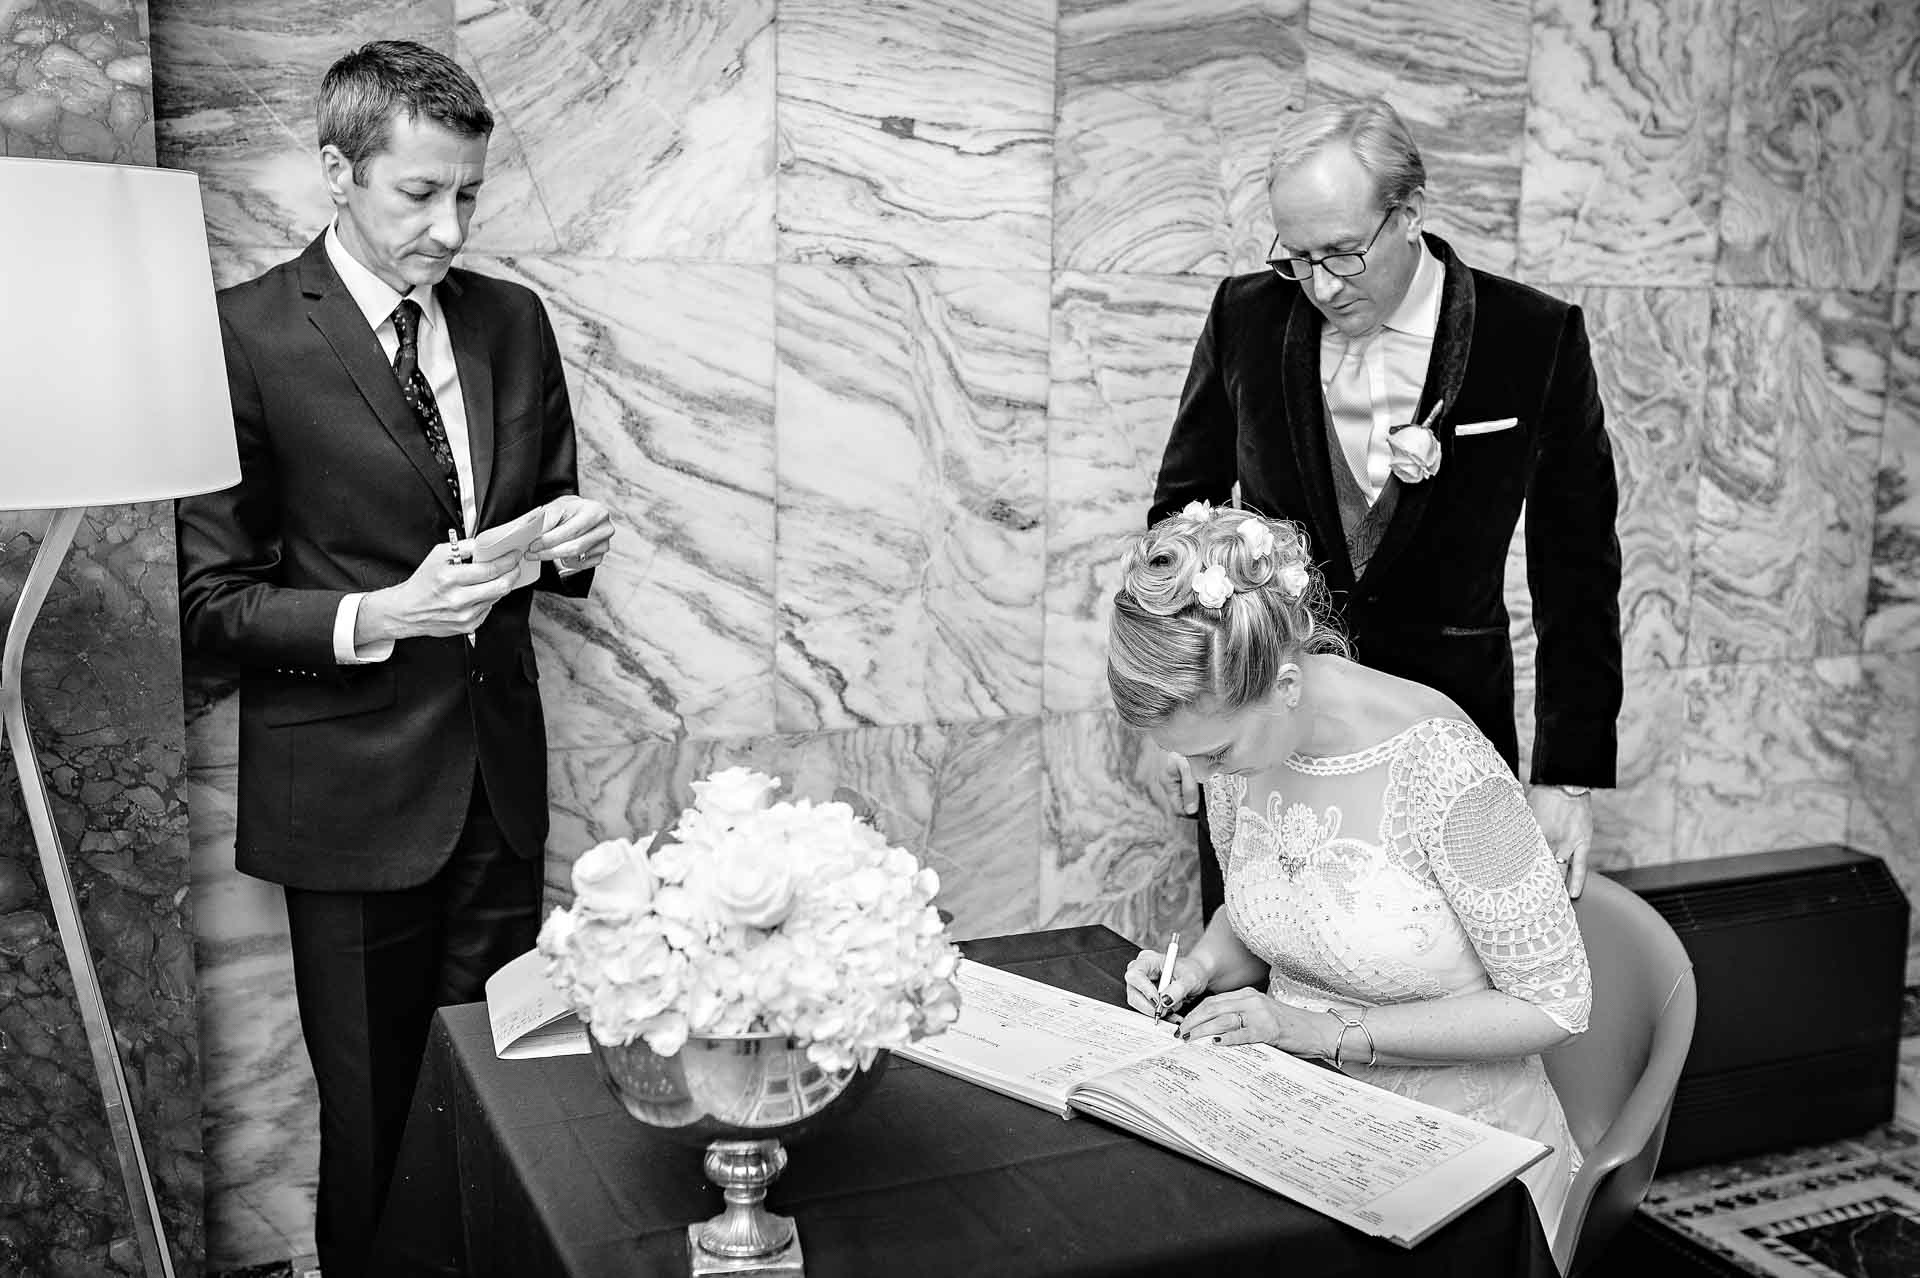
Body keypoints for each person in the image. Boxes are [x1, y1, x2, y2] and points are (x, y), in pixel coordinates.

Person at [175, 41, 614, 1278]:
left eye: (467, 193)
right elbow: (212, 602)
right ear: (336, 170)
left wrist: (571, 538)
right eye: (418, 194)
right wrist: (381, 615)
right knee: (375, 1127)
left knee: (502, 1105)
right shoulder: (244, 334)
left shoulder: (513, 322)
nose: (449, 226)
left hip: (497, 789)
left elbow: (549, 516)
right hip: (352, 805)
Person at [1150, 96, 1620, 908]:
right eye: (1297, 257)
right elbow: (1178, 523)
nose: (1321, 285)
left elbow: (1576, 565)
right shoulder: (1246, 317)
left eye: (1342, 253)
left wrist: (1567, 777)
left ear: (1409, 215)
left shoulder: (1533, 336)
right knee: (1254, 968)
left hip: (1448, 733)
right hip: (1267, 726)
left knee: (1431, 973)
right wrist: (1180, 713)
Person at [1111, 505, 1591, 1238]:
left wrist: (1320, 1030)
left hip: (1467, 1167)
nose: (1204, 779)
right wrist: (1201, 966)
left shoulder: (1447, 769)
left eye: (1215, 753)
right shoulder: (1245, 750)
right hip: (1301, 1125)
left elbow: (1554, 1006)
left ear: (1285, 685)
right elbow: (1264, 915)